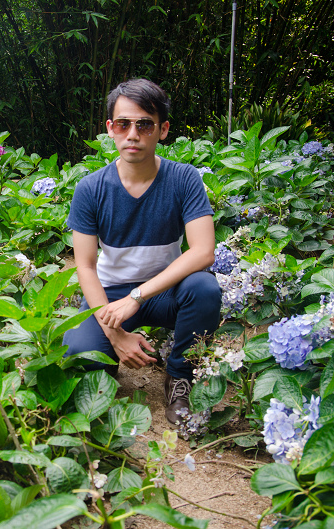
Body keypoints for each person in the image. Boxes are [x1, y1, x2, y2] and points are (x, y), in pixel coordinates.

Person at [62, 78, 222, 425]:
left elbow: (203, 252)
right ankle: (111, 358)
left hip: (165, 291)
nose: (132, 134)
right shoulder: (90, 189)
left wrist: (138, 296)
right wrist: (115, 335)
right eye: (123, 124)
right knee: (79, 356)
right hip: (112, 296)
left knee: (205, 288)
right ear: (110, 129)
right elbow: (86, 267)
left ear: (162, 130)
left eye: (145, 124)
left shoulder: (184, 179)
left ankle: (180, 376)